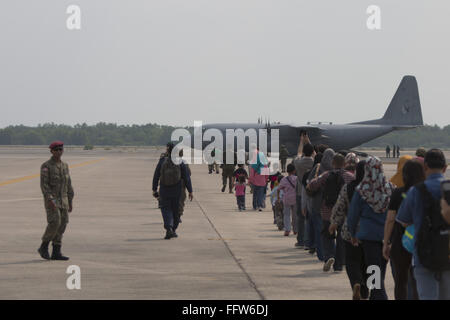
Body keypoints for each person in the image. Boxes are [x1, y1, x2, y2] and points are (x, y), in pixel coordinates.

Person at [396, 149, 450, 300]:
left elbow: (403, 220)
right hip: (448, 254)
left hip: (423, 256)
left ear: (425, 167)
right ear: (445, 168)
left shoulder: (415, 191)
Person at [347, 156, 393, 300]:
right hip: (386, 236)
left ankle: (378, 296)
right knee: (380, 270)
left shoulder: (361, 190)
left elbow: (353, 215)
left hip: (369, 237)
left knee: (373, 270)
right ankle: (376, 294)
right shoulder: (390, 188)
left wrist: (352, 233)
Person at [383, 159, 424, 300]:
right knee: (418, 281)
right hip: (421, 243)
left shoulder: (397, 193)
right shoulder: (425, 193)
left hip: (400, 243)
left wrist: (386, 242)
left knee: (401, 282)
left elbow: (390, 220)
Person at [308, 153, 355, 272]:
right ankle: (339, 264)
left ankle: (329, 256)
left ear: (332, 163)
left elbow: (312, 185)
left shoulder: (326, 175)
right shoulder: (350, 176)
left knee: (327, 236)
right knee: (341, 238)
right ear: (344, 164)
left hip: (327, 211)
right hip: (344, 213)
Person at [330, 160, 369, 299]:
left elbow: (340, 207)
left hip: (350, 231)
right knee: (369, 263)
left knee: (352, 262)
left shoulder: (349, 187)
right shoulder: (379, 188)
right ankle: (366, 289)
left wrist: (334, 223)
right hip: (371, 233)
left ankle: (356, 283)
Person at [38, 141, 74, 260]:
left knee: (63, 224)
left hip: (64, 200)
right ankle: (44, 246)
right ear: (51, 151)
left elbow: (68, 184)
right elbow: (44, 186)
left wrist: (70, 200)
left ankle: (56, 251)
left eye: (61, 149)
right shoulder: (46, 166)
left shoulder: (65, 166)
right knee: (55, 222)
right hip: (52, 200)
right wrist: (51, 200)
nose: (59, 151)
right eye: (56, 149)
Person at [152, 142, 193, 239]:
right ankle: (173, 229)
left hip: (164, 189)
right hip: (177, 190)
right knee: (176, 211)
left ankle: (168, 228)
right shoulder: (181, 162)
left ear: (167, 150)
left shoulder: (162, 160)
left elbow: (156, 175)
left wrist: (154, 189)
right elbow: (187, 177)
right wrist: (190, 191)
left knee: (165, 209)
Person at [293, 133, 315, 248]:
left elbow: (299, 153)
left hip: (300, 191)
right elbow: (315, 154)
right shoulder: (315, 163)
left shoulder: (298, 163)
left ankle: (301, 240)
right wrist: (308, 141)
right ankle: (311, 241)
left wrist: (301, 141)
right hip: (313, 192)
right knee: (312, 217)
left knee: (301, 217)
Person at [278, 163, 297, 236]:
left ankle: (287, 230)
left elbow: (279, 189)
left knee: (286, 215)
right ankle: (295, 230)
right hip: (295, 199)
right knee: (295, 215)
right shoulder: (296, 179)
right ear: (294, 171)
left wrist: (279, 198)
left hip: (286, 199)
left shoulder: (284, 179)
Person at [178, 149, 191, 220]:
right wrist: (190, 190)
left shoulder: (168, 161)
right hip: (181, 185)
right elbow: (188, 174)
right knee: (181, 200)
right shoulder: (184, 162)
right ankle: (179, 215)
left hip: (170, 186)